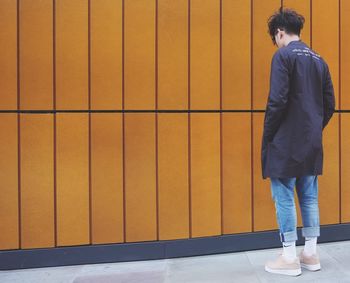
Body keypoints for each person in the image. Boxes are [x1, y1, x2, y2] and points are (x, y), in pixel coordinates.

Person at [261, 7, 336, 276]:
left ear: (279, 32)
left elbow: (277, 100)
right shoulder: (319, 59)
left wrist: (269, 135)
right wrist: (314, 128)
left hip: (285, 140)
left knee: (283, 197)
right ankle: (311, 254)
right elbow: (330, 104)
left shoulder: (283, 56)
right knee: (309, 196)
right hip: (310, 141)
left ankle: (289, 256)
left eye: (275, 37)